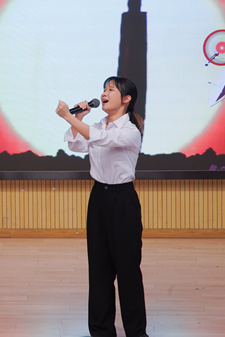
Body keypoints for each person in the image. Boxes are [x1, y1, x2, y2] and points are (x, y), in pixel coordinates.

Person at [55, 76, 149, 337]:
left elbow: (103, 139)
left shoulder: (130, 130)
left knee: (128, 270)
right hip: (98, 197)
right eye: (104, 89)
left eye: (111, 90)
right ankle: (101, 331)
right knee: (99, 269)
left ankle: (136, 332)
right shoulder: (96, 125)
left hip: (123, 200)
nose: (104, 94)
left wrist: (69, 117)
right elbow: (76, 144)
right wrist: (78, 117)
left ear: (126, 99)